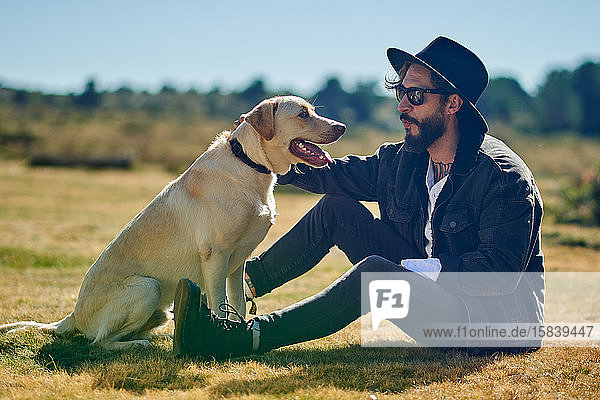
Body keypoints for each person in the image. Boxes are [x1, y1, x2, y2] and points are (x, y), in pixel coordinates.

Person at [172, 36, 545, 359]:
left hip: (491, 322)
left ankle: (242, 339)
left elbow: (500, 272)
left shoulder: (503, 178)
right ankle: (248, 283)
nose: (402, 106)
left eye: (415, 96)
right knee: (338, 208)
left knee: (378, 275)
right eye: (401, 92)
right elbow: (332, 175)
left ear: (452, 104)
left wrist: (407, 271)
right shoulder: (405, 160)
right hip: (431, 302)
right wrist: (261, 152)